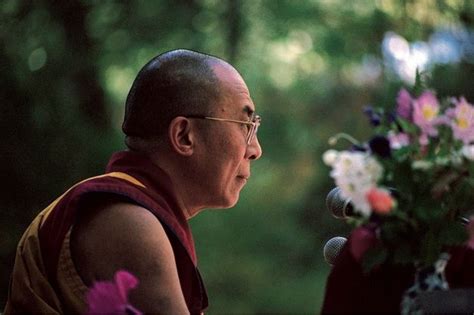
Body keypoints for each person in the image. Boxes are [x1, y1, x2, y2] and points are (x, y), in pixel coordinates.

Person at [4, 49, 262, 315]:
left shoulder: (141, 212)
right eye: (245, 125)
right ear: (184, 136)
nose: (255, 149)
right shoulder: (127, 220)